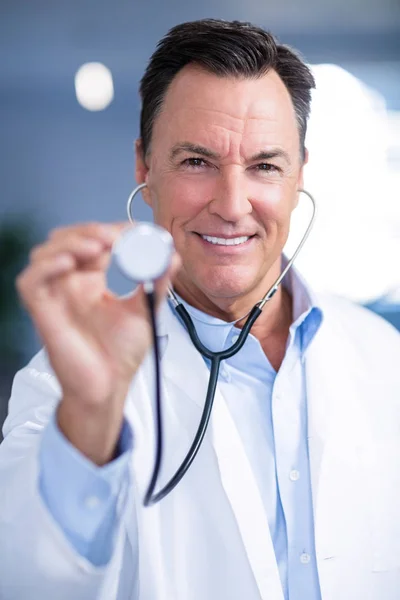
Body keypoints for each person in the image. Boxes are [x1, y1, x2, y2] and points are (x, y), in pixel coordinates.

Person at [0, 18, 399, 600]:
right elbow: (24, 579)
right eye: (196, 161)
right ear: (145, 166)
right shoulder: (68, 390)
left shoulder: (385, 357)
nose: (232, 206)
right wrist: (91, 418)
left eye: (264, 165)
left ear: (299, 175)